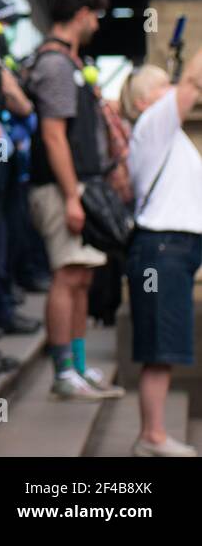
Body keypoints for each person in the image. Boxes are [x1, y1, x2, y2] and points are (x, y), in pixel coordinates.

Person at [27, 0, 123, 401]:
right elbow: (53, 136)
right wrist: (71, 196)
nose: (98, 26)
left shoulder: (66, 63)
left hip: (78, 184)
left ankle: (78, 366)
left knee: (81, 276)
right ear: (81, 15)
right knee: (67, 276)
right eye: (95, 17)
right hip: (61, 187)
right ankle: (64, 372)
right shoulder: (54, 65)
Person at [120, 57, 202, 456]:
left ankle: (153, 433)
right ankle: (152, 436)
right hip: (163, 247)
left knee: (164, 346)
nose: (168, 90)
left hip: (173, 248)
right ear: (141, 102)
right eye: (159, 86)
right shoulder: (153, 124)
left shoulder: (166, 134)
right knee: (160, 346)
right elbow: (192, 80)